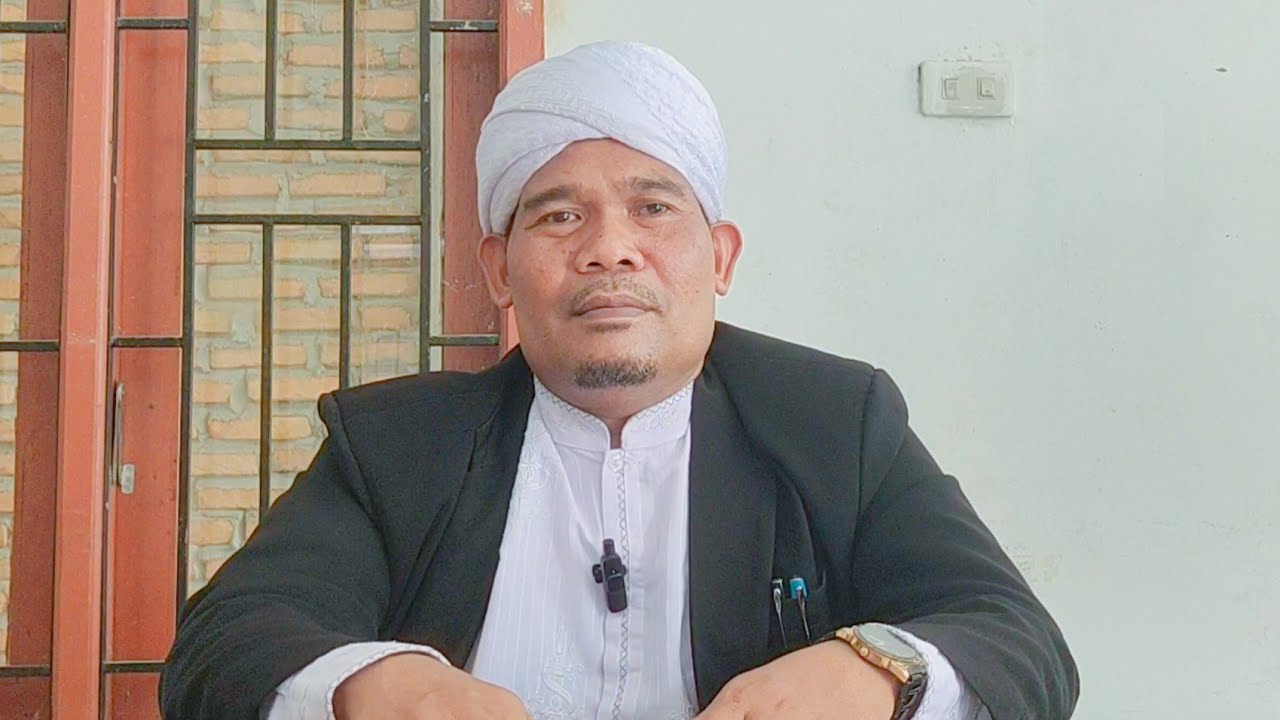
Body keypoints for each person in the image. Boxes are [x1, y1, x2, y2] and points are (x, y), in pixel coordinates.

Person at [161, 41, 1078, 720]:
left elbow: (1017, 640)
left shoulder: (837, 422)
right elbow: (223, 644)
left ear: (720, 258)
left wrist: (874, 671)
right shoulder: (400, 447)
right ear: (499, 271)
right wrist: (376, 683)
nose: (610, 248)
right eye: (559, 216)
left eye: (652, 207)